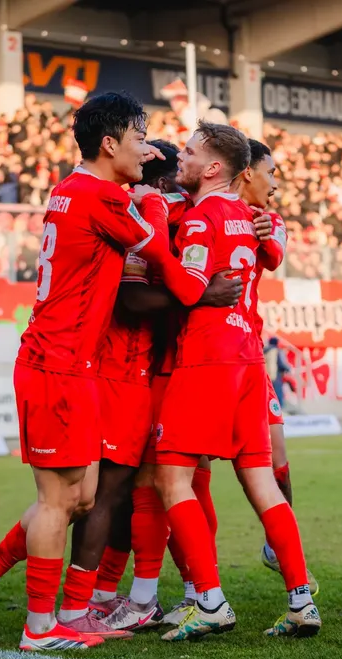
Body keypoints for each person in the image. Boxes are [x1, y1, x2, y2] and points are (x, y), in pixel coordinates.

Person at [0, 92, 207, 653]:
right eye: (139, 139)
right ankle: (40, 628)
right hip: (56, 363)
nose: (146, 150)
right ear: (109, 144)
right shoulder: (99, 196)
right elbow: (158, 253)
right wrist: (155, 202)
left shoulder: (78, 189)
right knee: (59, 501)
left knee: (84, 497)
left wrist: (139, 188)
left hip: (73, 365)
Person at [153, 122, 321, 641]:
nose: (179, 158)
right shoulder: (252, 218)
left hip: (207, 359)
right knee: (261, 481)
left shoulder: (201, 219)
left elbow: (190, 288)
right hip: (249, 360)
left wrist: (153, 244)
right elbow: (272, 252)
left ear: (213, 168)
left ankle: (208, 601)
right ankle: (301, 601)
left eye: (188, 151)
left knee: (172, 479)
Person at [89, 141, 241, 629]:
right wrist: (200, 297)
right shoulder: (165, 215)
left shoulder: (185, 216)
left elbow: (139, 296)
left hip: (174, 366)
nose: (180, 175)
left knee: (153, 484)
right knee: (160, 484)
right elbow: (133, 298)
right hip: (175, 363)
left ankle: (156, 597)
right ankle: (182, 593)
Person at [232, 139, 319, 596]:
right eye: (271, 172)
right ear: (246, 171)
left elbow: (275, 255)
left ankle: (277, 547)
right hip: (200, 357)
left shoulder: (270, 220)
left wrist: (264, 233)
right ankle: (190, 590)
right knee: (182, 474)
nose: (276, 184)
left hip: (246, 354)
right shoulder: (202, 209)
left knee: (276, 454)